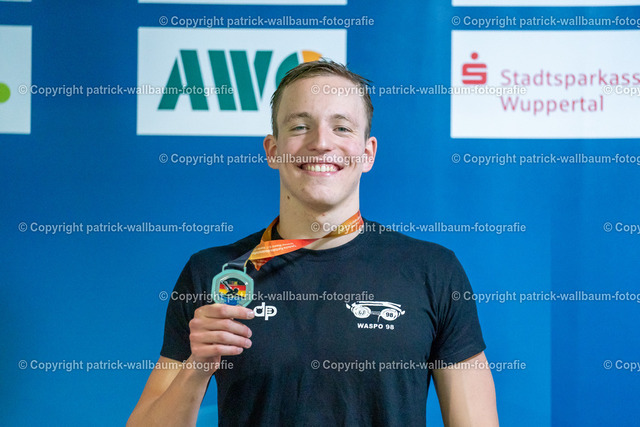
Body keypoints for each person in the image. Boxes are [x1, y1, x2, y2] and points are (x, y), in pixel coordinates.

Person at [128, 59, 499, 426]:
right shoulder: (216, 274)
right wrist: (197, 367)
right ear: (273, 151)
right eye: (300, 126)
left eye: (341, 127)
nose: (321, 143)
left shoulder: (433, 272)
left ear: (368, 153)